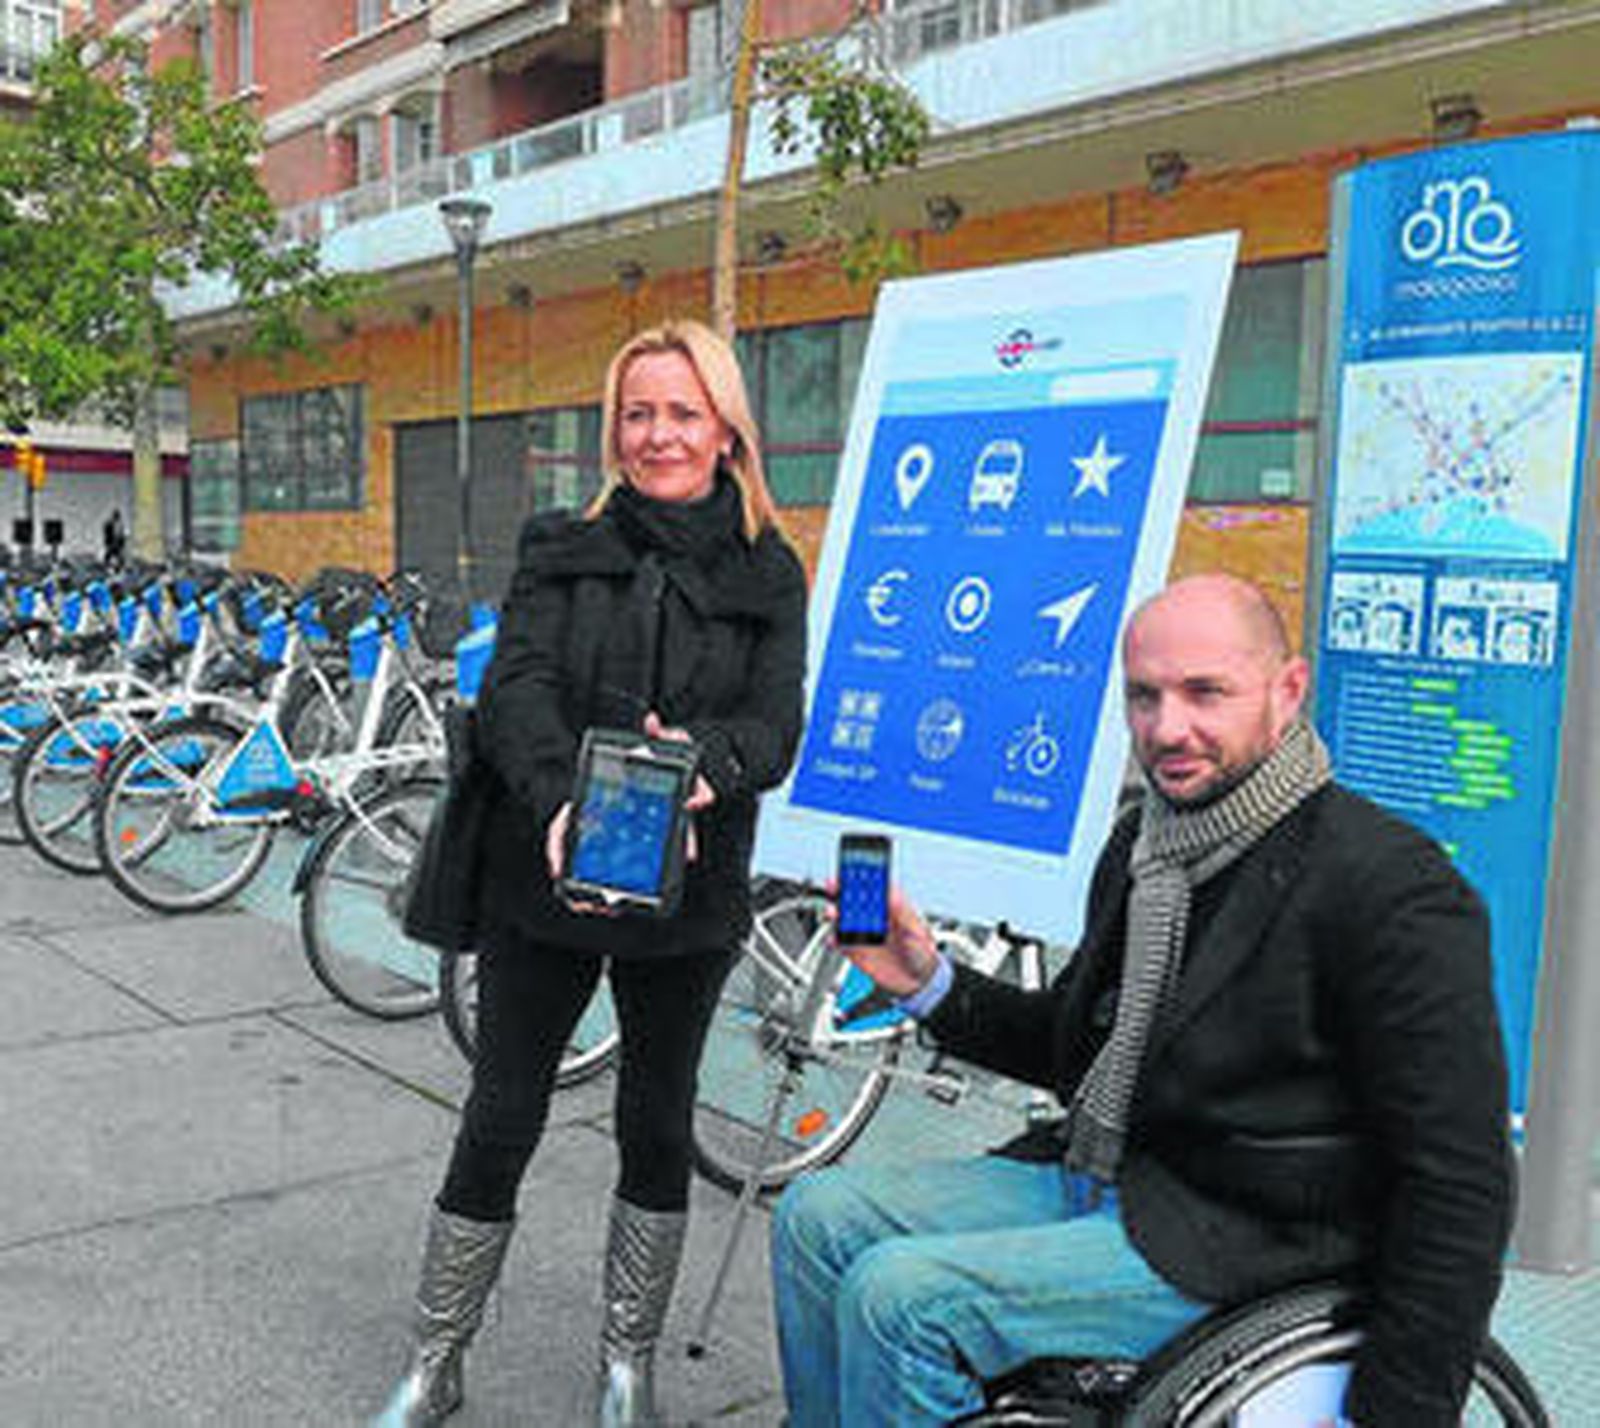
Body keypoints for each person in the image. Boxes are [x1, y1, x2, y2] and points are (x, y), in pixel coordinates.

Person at [771, 573, 1513, 1428]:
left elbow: (1461, 1178)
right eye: (1144, 697)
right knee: (815, 1215)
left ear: (1289, 691)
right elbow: (1080, 1049)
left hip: (1253, 1236)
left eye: (1206, 693)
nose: (1169, 729)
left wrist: (1401, 1410)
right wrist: (927, 982)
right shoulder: (1147, 843)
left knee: (900, 1299)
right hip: (1113, 1172)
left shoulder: (1389, 886)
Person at [373, 319, 808, 1428]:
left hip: (692, 891)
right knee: (500, 1110)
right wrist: (567, 795)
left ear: (725, 428)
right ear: (615, 428)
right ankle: (437, 1357)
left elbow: (774, 725)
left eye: (681, 411)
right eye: (638, 412)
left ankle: (627, 1366)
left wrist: (702, 766)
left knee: (655, 1120)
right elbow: (514, 688)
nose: (658, 433)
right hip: (547, 874)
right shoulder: (560, 547)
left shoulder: (767, 571)